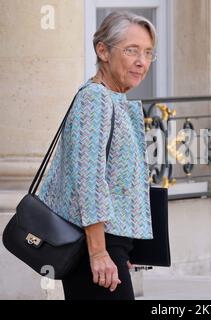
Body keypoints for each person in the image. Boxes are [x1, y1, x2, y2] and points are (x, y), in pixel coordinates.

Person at [37, 11, 157, 300]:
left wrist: (120, 246)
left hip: (108, 243)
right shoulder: (95, 98)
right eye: (131, 51)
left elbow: (114, 181)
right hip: (91, 245)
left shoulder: (114, 99)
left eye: (148, 53)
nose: (142, 62)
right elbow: (89, 181)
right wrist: (100, 251)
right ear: (102, 50)